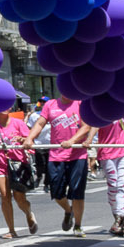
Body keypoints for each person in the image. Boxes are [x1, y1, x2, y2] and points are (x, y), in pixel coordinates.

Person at [37, 91, 91, 235]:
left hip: (77, 155)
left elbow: (86, 127)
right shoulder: (50, 104)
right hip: (56, 156)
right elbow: (40, 123)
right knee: (56, 192)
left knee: (77, 191)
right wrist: (30, 138)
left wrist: (72, 141)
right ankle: (68, 211)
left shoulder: (80, 104)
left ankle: (78, 225)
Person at [0, 105, 34, 238]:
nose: (6, 108)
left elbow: (30, 140)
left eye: (8, 106)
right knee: (5, 196)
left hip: (18, 163)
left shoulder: (18, 123)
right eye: (2, 105)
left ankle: (29, 213)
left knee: (19, 197)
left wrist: (23, 140)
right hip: (0, 164)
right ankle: (11, 230)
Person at [95, 117, 124, 238]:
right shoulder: (100, 110)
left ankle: (120, 218)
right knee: (113, 187)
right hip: (107, 152)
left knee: (123, 185)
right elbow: (92, 125)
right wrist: (89, 139)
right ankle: (118, 217)